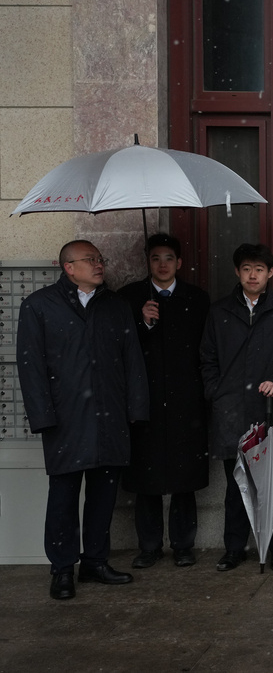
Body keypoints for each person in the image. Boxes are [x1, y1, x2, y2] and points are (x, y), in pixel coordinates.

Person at [17, 240, 148, 600]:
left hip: (110, 417)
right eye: (90, 260)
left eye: (100, 259)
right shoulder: (39, 306)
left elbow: (132, 360)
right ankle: (62, 569)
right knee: (63, 495)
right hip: (65, 419)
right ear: (68, 267)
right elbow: (31, 368)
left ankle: (95, 562)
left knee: (104, 495)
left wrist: (136, 409)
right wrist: (43, 416)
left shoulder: (116, 306)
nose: (99, 265)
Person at [200, 243, 273, 572]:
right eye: (246, 268)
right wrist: (216, 392)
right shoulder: (220, 312)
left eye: (259, 269)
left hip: (271, 408)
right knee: (236, 484)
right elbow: (207, 359)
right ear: (237, 271)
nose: (252, 275)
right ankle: (235, 548)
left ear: (270, 273)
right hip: (232, 409)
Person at [119, 234, 210, 569]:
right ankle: (149, 545)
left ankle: (183, 544)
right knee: (147, 478)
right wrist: (142, 322)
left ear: (179, 263)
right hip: (145, 402)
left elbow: (206, 350)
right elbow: (118, 347)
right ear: (148, 261)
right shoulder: (129, 298)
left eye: (169, 258)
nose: (162, 264)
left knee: (184, 478)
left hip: (187, 401)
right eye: (155, 258)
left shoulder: (197, 299)